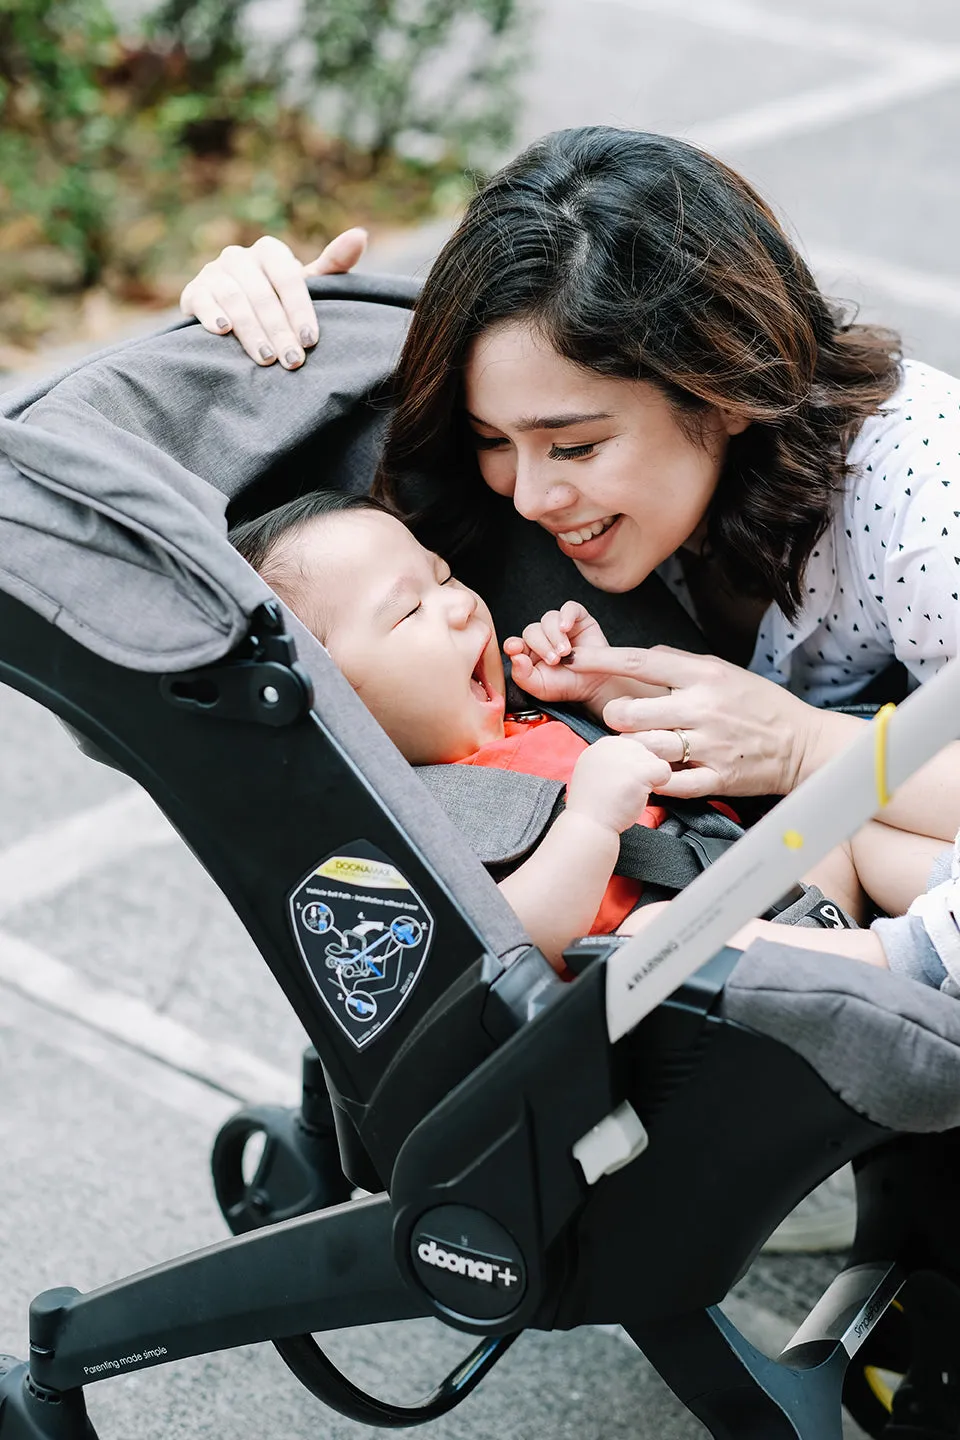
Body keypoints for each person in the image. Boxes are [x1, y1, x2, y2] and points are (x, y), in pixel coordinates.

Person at [231, 487, 956, 991]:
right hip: (679, 984)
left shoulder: (527, 720)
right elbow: (505, 947)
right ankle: (918, 958)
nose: (457, 606)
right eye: (409, 611)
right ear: (331, 705)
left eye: (445, 576)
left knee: (844, 817)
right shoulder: (404, 822)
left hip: (771, 889)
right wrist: (588, 824)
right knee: (653, 938)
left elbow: (699, 766)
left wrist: (611, 696)